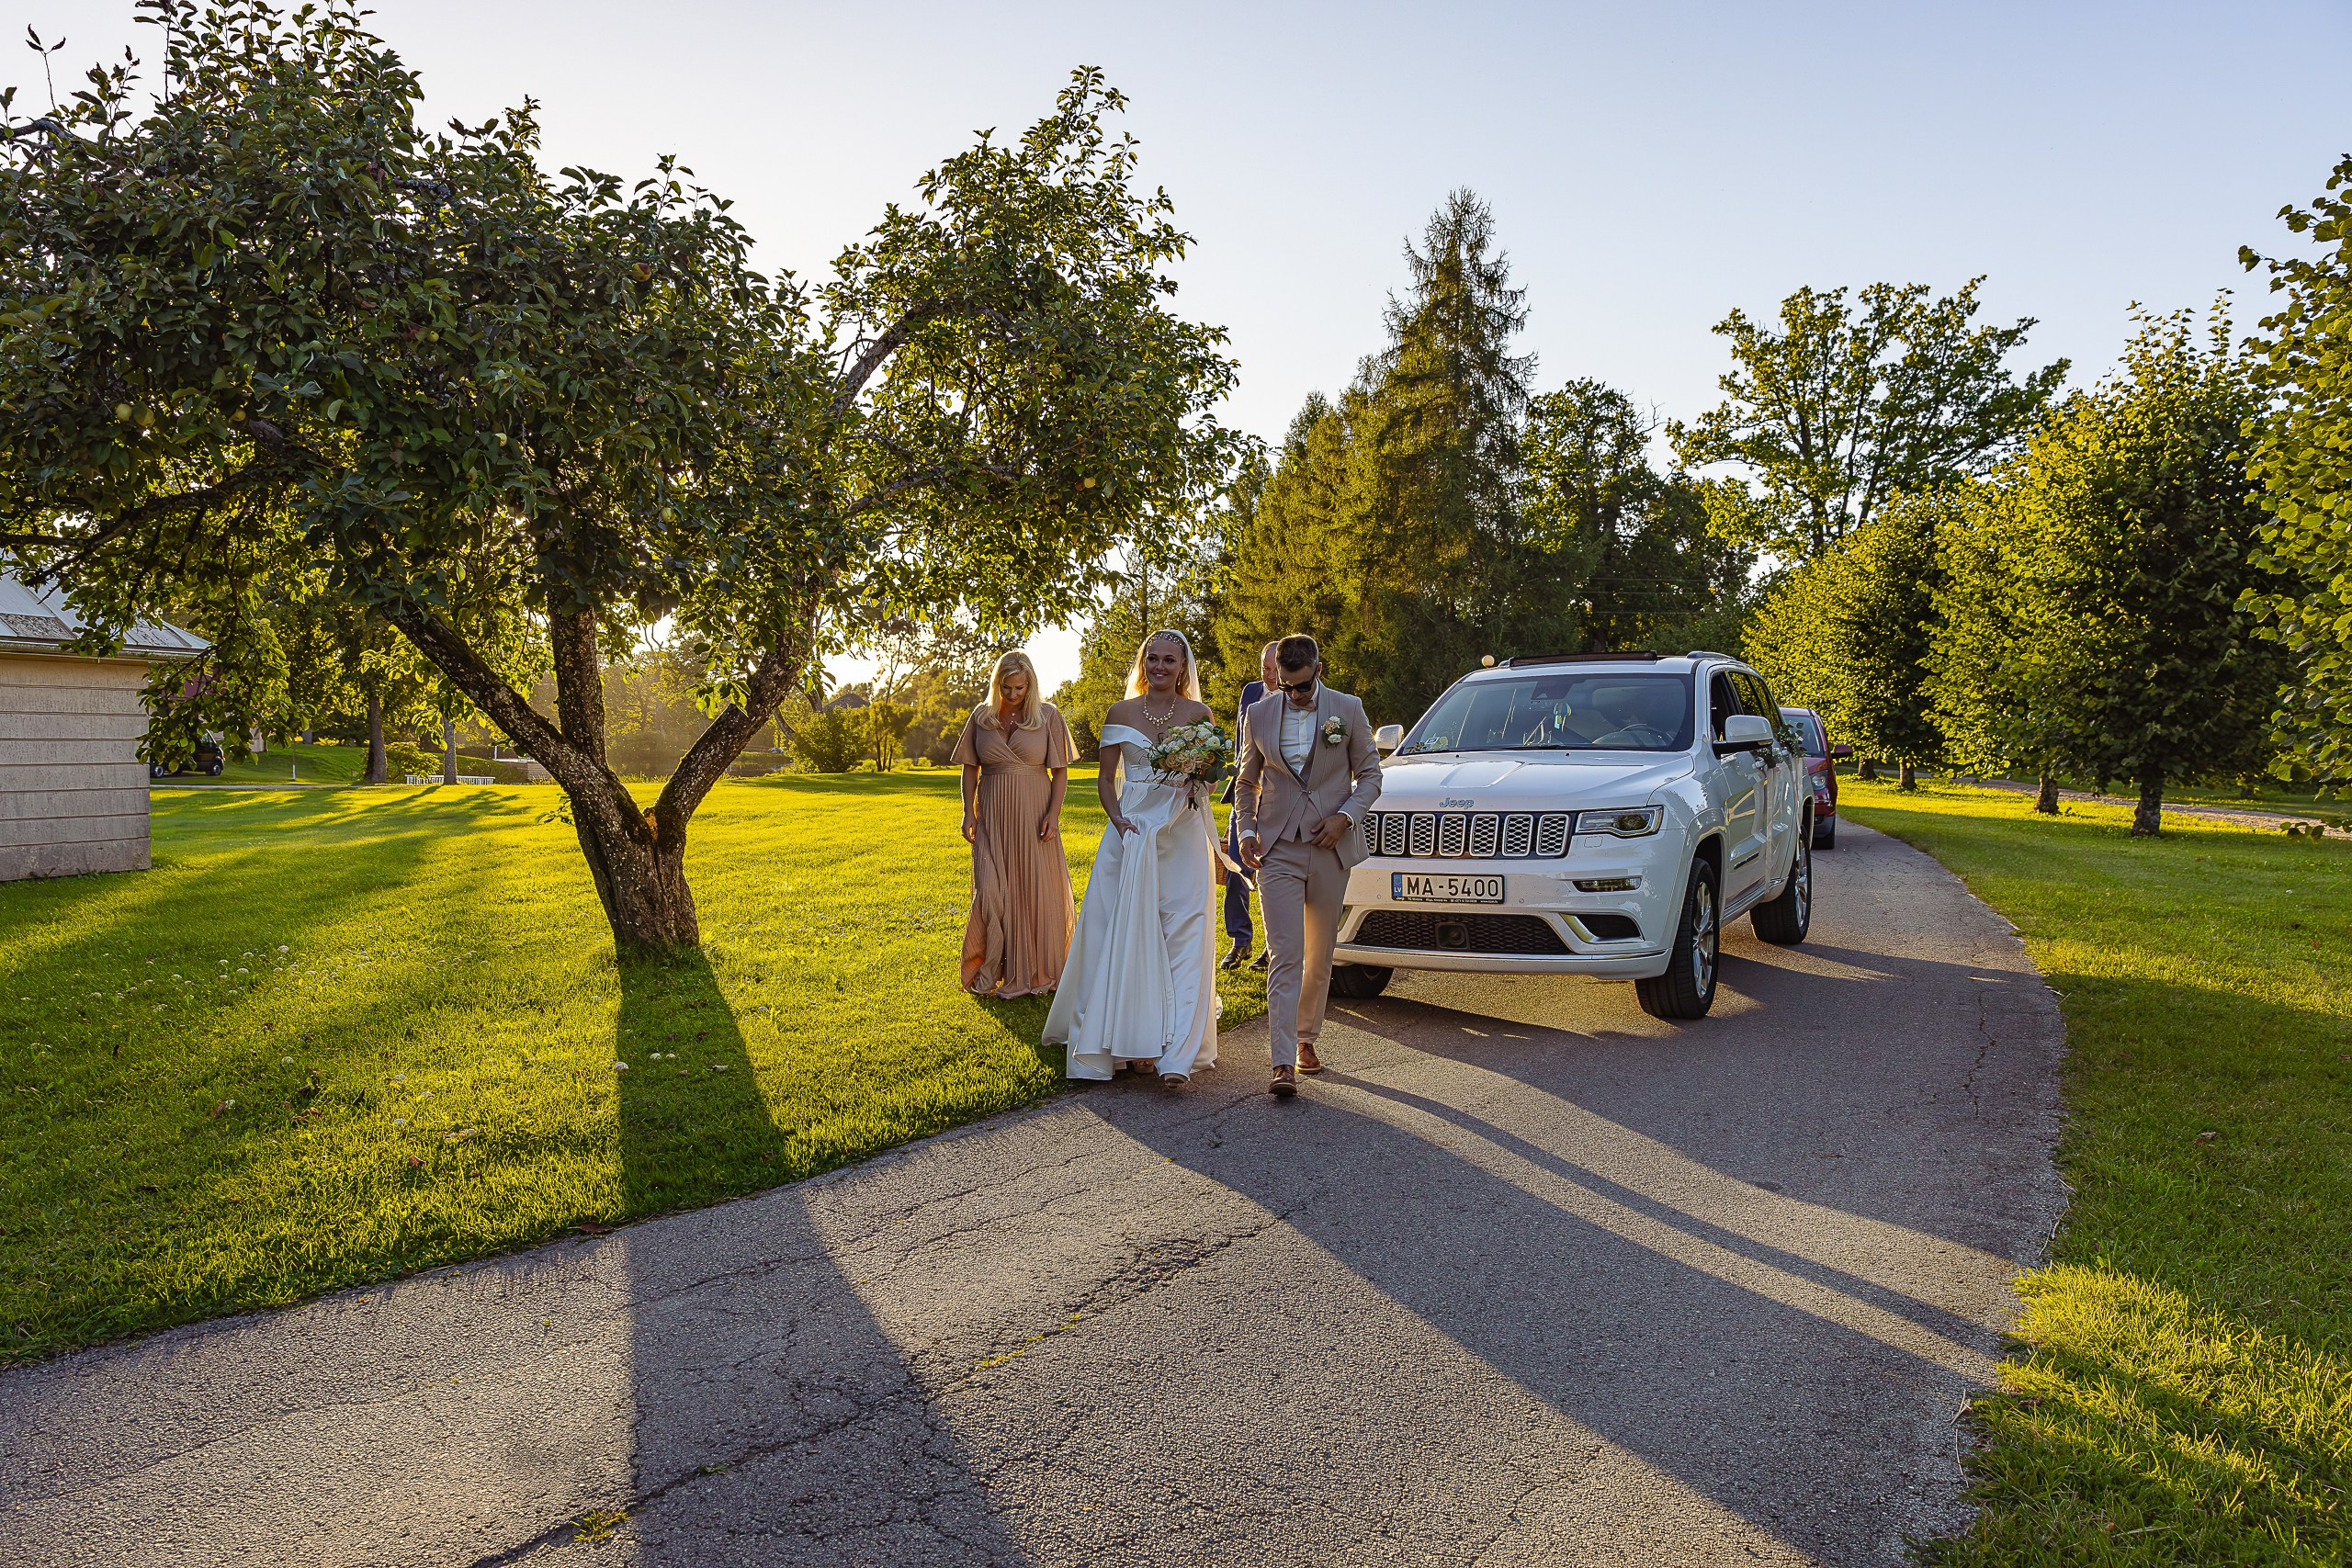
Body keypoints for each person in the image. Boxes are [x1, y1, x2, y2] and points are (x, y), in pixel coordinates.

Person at [1044, 630, 1222, 1088]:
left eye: (1169, 660)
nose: (1160, 667)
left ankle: (1176, 1052)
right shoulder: (1119, 712)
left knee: (1183, 932)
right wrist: (1119, 819)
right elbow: (1106, 780)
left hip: (1180, 834)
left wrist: (1189, 790)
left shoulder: (1199, 715)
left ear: (1184, 667)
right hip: (1131, 833)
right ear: (1143, 663)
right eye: (1153, 659)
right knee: (1116, 932)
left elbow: (1206, 780)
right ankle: (1123, 1045)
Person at [1235, 635, 1382, 1098]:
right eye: (1286, 687)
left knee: (1319, 956)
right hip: (1276, 848)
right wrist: (1245, 832)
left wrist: (1345, 817)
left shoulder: (1349, 708)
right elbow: (1246, 780)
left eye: (1302, 687)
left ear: (1318, 670)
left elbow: (1371, 776)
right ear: (1276, 676)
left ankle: (1305, 1040)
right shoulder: (1258, 713)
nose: (1294, 695)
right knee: (1285, 954)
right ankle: (1280, 1062)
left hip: (1329, 847)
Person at [953, 651, 1076, 998]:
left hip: (1035, 814)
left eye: (1019, 687)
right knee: (990, 890)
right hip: (992, 814)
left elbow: (1061, 771)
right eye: (1005, 687)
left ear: (1030, 684)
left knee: (1033, 891)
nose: (1012, 694)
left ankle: (1036, 969)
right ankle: (990, 965)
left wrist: (1053, 814)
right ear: (997, 684)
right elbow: (969, 768)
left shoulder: (1048, 716)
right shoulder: (982, 716)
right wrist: (968, 811)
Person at [1219, 640, 1282, 971]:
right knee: (1235, 870)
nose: (1269, 676)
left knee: (1271, 875)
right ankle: (1240, 940)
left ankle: (1273, 948)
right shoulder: (1250, 692)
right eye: (1264, 668)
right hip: (1245, 794)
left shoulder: (1298, 698)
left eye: (1274, 669)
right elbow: (1241, 744)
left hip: (1278, 799)